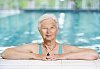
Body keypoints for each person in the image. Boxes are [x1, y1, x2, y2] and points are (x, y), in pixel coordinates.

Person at [1, 14, 98, 60]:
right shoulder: (34, 48)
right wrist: (36, 56)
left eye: (52, 28)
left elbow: (93, 54)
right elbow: (6, 53)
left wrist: (62, 56)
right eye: (44, 28)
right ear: (39, 30)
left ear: (57, 29)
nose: (48, 32)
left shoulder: (64, 49)